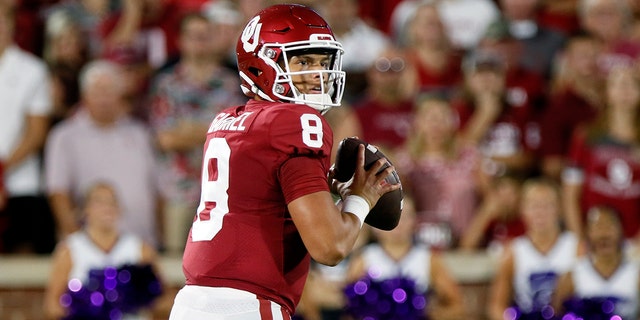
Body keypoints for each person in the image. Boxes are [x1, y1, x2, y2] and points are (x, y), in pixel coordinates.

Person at [169, 4, 400, 320]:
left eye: (323, 61)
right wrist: (362, 198)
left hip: (193, 302)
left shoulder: (227, 120)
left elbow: (262, 203)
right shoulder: (296, 121)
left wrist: (324, 189)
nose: (317, 75)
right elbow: (329, 247)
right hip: (247, 304)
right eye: (303, 61)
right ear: (261, 64)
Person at [146, 12, 246, 255]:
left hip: (223, 190)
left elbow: (237, 137)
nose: (199, 42)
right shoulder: (167, 84)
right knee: (174, 260)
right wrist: (212, 129)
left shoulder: (231, 84)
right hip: (177, 191)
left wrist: (188, 131)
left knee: (221, 259)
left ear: (215, 39)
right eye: (193, 36)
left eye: (205, 36)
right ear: (180, 41)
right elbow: (166, 139)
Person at [45, 59, 162, 248]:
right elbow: (58, 193)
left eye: (109, 91)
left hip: (141, 244)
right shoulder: (64, 136)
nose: (104, 99)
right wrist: (78, 243)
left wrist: (159, 237)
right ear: (85, 96)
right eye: (97, 91)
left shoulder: (139, 134)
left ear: (120, 96)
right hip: (90, 246)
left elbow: (156, 190)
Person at [43, 182, 166, 320]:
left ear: (120, 208)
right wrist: (86, 306)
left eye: (112, 201)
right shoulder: (70, 249)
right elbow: (51, 306)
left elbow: (163, 300)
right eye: (99, 201)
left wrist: (131, 298)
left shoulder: (140, 248)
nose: (107, 207)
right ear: (85, 209)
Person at [344, 196, 466, 320]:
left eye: (405, 216)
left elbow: (456, 305)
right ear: (375, 223)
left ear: (415, 221)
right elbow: (347, 306)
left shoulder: (429, 258)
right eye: (389, 213)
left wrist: (428, 312)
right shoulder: (364, 258)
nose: (398, 222)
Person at [0, 4, 56, 254]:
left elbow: (36, 132)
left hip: (20, 183)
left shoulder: (32, 69)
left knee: (21, 256)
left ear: (11, 25)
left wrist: (1, 170)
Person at [562, 66, 640, 241]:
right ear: (607, 92)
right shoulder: (586, 136)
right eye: (618, 84)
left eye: (632, 84)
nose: (625, 90)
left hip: (634, 239)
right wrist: (579, 240)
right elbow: (570, 194)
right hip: (593, 237)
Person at [486, 178, 582, 320]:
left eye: (547, 205)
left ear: (559, 209)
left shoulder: (576, 247)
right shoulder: (513, 251)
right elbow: (496, 306)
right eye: (534, 206)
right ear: (522, 210)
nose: (540, 212)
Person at [396, 94, 483, 249]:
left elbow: (492, 200)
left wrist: (471, 239)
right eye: (430, 117)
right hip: (419, 248)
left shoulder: (469, 157)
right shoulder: (404, 162)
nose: (436, 124)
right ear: (417, 122)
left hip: (466, 245)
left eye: (443, 117)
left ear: (453, 122)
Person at [552, 206, 640, 320]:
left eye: (610, 226)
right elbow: (555, 314)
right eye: (597, 227)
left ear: (621, 230)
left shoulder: (636, 274)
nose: (604, 233)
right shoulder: (571, 277)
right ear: (587, 233)